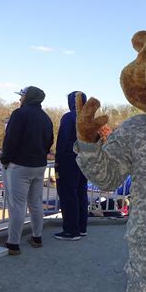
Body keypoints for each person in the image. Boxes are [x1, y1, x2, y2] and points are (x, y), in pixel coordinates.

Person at [1, 86, 53, 255]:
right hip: (39, 166)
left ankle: (13, 244)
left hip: (20, 166)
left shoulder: (19, 114)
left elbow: (11, 139)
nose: (19, 99)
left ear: (28, 97)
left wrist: (5, 159)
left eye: (22, 96)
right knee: (36, 203)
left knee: (17, 206)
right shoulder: (46, 118)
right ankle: (37, 237)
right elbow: (49, 142)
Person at [54, 91, 89, 241]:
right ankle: (81, 227)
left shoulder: (69, 118)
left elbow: (63, 142)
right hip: (86, 161)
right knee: (81, 193)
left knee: (68, 194)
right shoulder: (89, 118)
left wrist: (58, 160)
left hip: (69, 161)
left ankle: (71, 230)